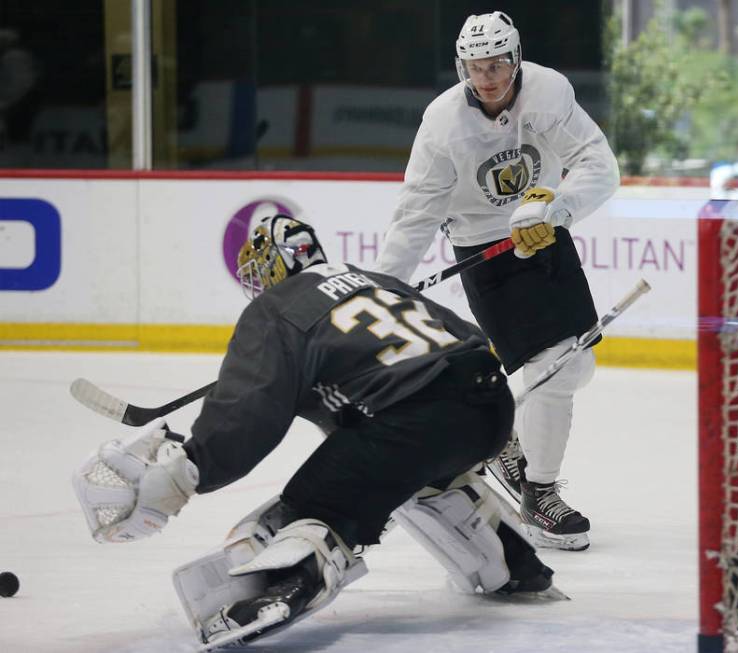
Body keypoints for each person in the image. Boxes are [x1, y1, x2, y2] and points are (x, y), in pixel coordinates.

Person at [72, 215, 559, 648]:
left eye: (260, 270)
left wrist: (194, 465)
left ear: (274, 267)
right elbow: (465, 338)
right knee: (416, 475)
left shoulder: (277, 309)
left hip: (415, 420)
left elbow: (252, 410)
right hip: (487, 403)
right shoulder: (373, 280)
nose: (258, 283)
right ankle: (514, 566)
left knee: (316, 501)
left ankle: (291, 583)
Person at [374, 11, 620, 551]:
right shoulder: (442, 123)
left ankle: (501, 439)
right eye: (475, 66)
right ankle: (539, 493)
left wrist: (555, 207)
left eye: (496, 64)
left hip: (544, 229)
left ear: (515, 58)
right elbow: (416, 212)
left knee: (575, 361)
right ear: (460, 66)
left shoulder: (549, 93)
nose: (486, 77)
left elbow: (600, 166)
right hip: (485, 249)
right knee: (553, 369)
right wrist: (384, 284)